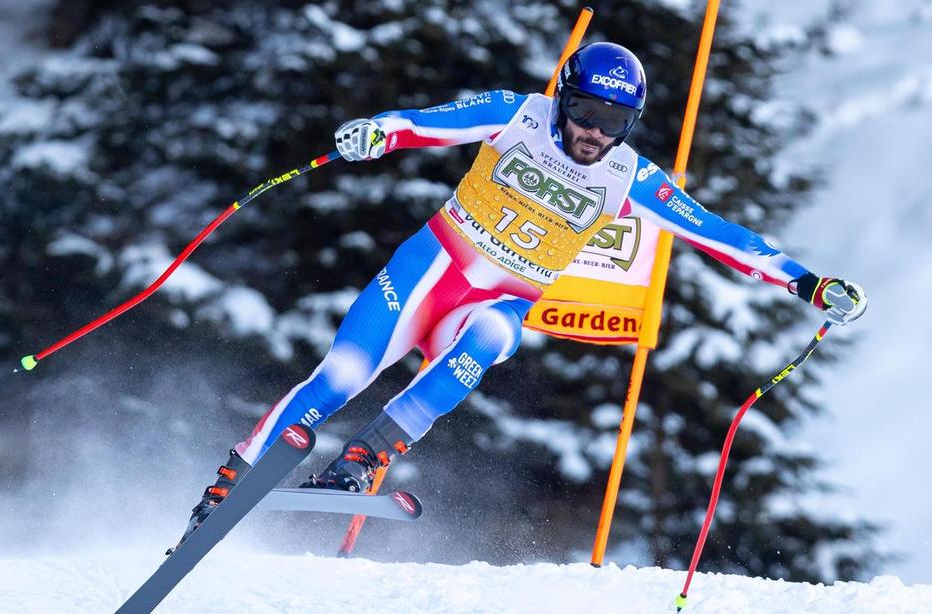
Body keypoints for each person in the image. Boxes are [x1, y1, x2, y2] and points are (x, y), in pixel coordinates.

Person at [173, 42, 866, 546]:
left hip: (491, 302)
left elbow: (719, 234)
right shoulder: (519, 114)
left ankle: (366, 455)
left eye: (615, 121)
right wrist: (378, 131)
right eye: (588, 111)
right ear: (566, 97)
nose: (595, 132)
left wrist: (808, 282)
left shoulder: (630, 177)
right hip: (432, 269)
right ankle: (231, 480)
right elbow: (428, 120)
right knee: (345, 374)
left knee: (497, 338)